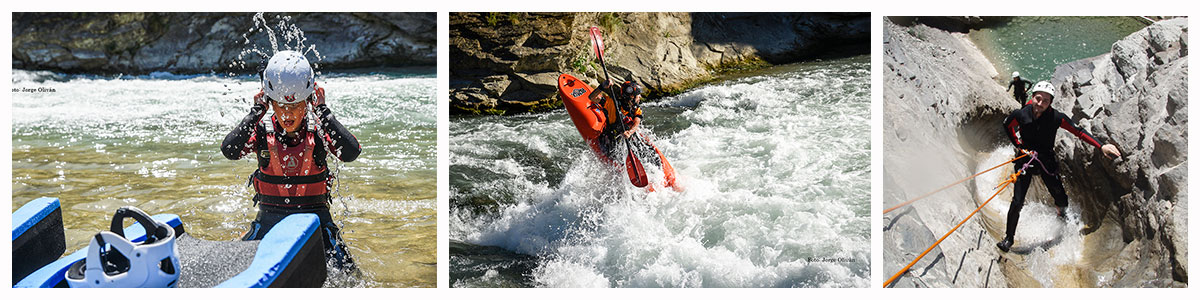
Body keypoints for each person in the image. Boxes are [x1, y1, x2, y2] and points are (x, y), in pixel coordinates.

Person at [221, 50, 361, 268]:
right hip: (268, 220)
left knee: (349, 273)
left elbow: (351, 152)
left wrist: (323, 110)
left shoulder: (321, 130)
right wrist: (256, 111)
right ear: (271, 102)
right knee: (233, 268)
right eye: (281, 106)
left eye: (295, 106)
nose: (287, 114)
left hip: (316, 221)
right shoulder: (260, 130)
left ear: (308, 101)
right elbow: (230, 150)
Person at [996, 81, 1121, 252]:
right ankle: (1009, 239)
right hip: (1025, 159)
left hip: (1046, 161)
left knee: (1061, 198)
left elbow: (1079, 132)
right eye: (1038, 98)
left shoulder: (1056, 118)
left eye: (1045, 101)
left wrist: (1101, 146)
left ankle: (1061, 214)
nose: (1040, 103)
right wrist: (1018, 145)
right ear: (1032, 97)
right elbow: (1007, 126)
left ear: (1050, 103)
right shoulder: (1020, 114)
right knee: (1017, 201)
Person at [588, 79, 659, 164]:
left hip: (629, 136)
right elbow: (592, 97)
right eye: (638, 95)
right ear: (632, 97)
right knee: (618, 151)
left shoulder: (636, 109)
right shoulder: (612, 103)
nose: (640, 97)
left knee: (649, 153)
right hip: (612, 139)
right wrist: (602, 87)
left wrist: (629, 132)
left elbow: (636, 122)